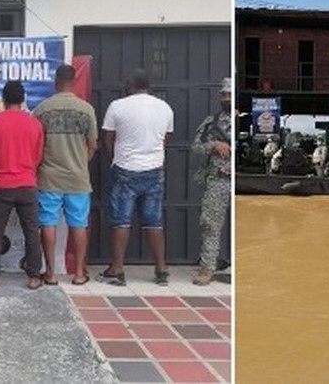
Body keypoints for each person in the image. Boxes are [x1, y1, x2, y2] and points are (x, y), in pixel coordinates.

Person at [101, 70, 174, 286]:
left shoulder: (117, 106)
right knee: (154, 221)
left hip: (125, 168)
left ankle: (117, 270)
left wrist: (115, 159)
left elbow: (108, 138)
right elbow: (165, 138)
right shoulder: (165, 107)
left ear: (130, 84)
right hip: (154, 170)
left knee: (120, 221)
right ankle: (161, 270)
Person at [33, 65, 98, 286]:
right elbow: (92, 146)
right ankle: (79, 273)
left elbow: (36, 146)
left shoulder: (42, 109)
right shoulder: (86, 109)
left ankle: (50, 272)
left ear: (56, 81)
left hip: (49, 177)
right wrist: (80, 163)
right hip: (78, 178)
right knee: (78, 224)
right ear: (74, 81)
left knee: (48, 223)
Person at [0, 81, 44, 290]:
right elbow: (37, 157)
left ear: (4, 100)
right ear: (23, 100)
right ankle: (34, 277)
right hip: (27, 183)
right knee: (32, 232)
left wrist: (0, 170)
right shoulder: (35, 124)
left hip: (1, 184)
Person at [191, 77, 232, 286]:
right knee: (210, 225)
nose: (226, 98)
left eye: (230, 94)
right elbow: (196, 146)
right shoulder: (211, 122)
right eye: (224, 95)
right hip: (218, 181)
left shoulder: (253, 120)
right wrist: (214, 144)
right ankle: (207, 267)